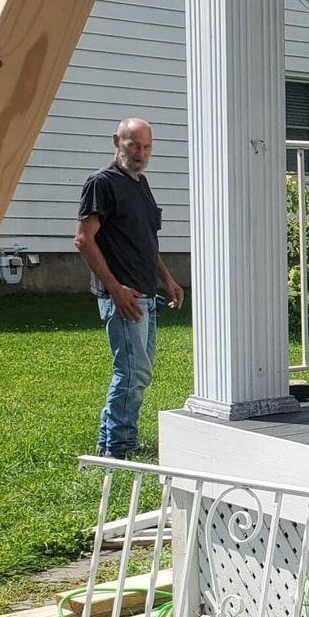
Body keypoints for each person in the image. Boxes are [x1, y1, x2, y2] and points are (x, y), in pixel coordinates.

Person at [73, 118, 183, 459]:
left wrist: (166, 278)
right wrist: (115, 289)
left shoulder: (141, 184)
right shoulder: (101, 183)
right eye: (134, 145)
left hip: (147, 295)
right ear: (117, 141)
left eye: (147, 147)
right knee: (132, 372)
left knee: (139, 372)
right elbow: (83, 240)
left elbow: (146, 242)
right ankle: (118, 449)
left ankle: (114, 443)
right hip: (124, 298)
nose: (141, 153)